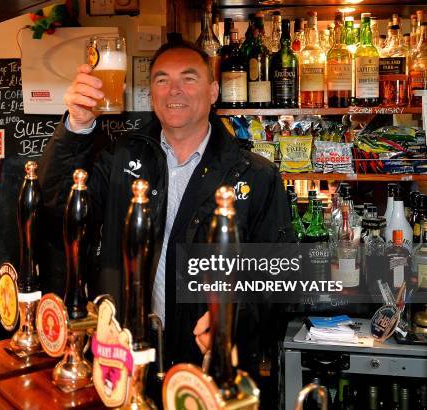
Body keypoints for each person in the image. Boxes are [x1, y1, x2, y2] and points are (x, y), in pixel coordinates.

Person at [39, 39, 294, 399]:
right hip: (123, 361)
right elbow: (56, 212)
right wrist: (77, 128)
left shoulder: (255, 174)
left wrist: (233, 318)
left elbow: (278, 276)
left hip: (203, 373)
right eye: (161, 79)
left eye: (189, 78)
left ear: (214, 91)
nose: (174, 90)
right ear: (150, 92)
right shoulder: (122, 157)